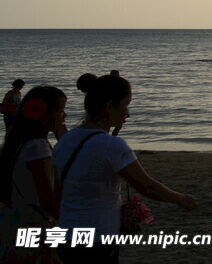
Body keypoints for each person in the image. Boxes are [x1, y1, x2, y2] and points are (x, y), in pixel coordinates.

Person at [53, 75, 196, 263]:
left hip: (65, 236)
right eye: (126, 105)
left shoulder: (66, 140)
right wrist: (181, 198)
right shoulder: (111, 145)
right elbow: (147, 186)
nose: (128, 113)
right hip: (98, 239)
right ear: (110, 106)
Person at [0, 86, 66, 264]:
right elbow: (48, 199)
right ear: (42, 114)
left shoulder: (21, 142)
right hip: (35, 224)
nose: (64, 116)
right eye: (60, 110)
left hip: (19, 220)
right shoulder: (38, 147)